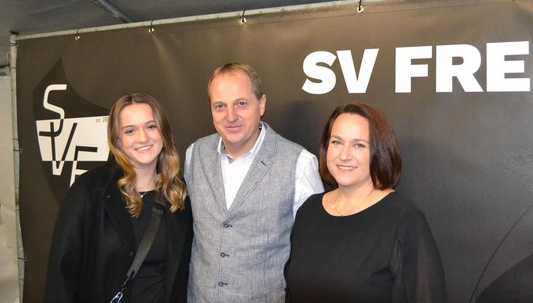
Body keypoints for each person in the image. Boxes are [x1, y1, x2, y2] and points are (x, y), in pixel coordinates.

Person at [184, 62, 324, 302]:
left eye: (241, 103)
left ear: (261, 104)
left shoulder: (299, 163)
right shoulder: (194, 154)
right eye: (220, 106)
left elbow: (314, 250)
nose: (231, 116)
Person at [285, 102, 448, 302]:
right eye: (336, 142)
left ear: (379, 151)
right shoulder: (309, 211)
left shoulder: (404, 219)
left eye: (359, 145)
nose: (344, 155)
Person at [45, 92, 193, 303]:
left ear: (164, 133)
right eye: (130, 131)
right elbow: (61, 273)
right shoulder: (90, 190)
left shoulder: (179, 195)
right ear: (118, 141)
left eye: (151, 126)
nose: (143, 138)